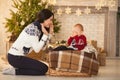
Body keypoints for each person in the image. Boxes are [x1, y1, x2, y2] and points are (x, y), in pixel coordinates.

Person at [2, 9, 54, 75]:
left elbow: (43, 48)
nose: (51, 22)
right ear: (44, 19)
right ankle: (15, 71)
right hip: (15, 57)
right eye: (50, 19)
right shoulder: (33, 29)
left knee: (42, 70)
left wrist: (49, 34)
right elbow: (37, 49)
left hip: (18, 57)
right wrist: (46, 34)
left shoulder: (39, 28)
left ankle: (17, 70)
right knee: (43, 68)